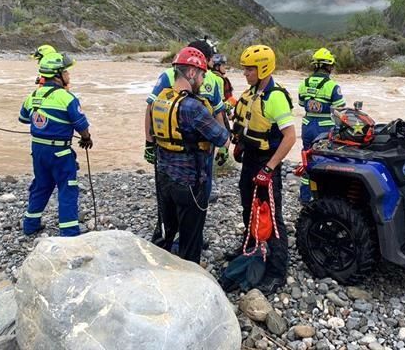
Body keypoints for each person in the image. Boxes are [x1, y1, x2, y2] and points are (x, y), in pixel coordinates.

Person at [144, 37, 228, 245]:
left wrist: (151, 143)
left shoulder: (165, 98)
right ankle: (189, 256)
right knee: (191, 221)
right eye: (201, 73)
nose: (203, 77)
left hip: (165, 171)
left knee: (167, 218)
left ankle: (161, 252)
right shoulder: (192, 105)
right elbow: (221, 135)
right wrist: (225, 142)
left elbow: (218, 110)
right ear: (192, 72)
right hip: (190, 173)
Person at [230, 44, 296, 294]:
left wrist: (269, 168)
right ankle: (249, 246)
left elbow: (289, 137)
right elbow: (246, 125)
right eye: (245, 68)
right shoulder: (252, 93)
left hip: (267, 162)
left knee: (272, 215)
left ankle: (277, 271)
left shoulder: (275, 97)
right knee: (248, 206)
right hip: (250, 159)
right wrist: (239, 146)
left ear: (263, 68)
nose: (245, 73)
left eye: (249, 69)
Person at [19, 52, 92, 237]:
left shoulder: (33, 95)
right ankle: (69, 231)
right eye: (66, 71)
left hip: (38, 150)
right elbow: (81, 125)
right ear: (58, 75)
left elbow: (23, 118)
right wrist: (86, 138)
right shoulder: (66, 98)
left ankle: (30, 224)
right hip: (60, 152)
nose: (69, 75)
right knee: (68, 187)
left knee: (41, 185)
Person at [297, 48, 345, 203]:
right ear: (329, 66)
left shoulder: (303, 83)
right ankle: (323, 198)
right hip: (324, 128)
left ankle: (305, 196)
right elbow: (340, 109)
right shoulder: (332, 86)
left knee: (307, 160)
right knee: (325, 163)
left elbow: (301, 103)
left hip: (307, 125)